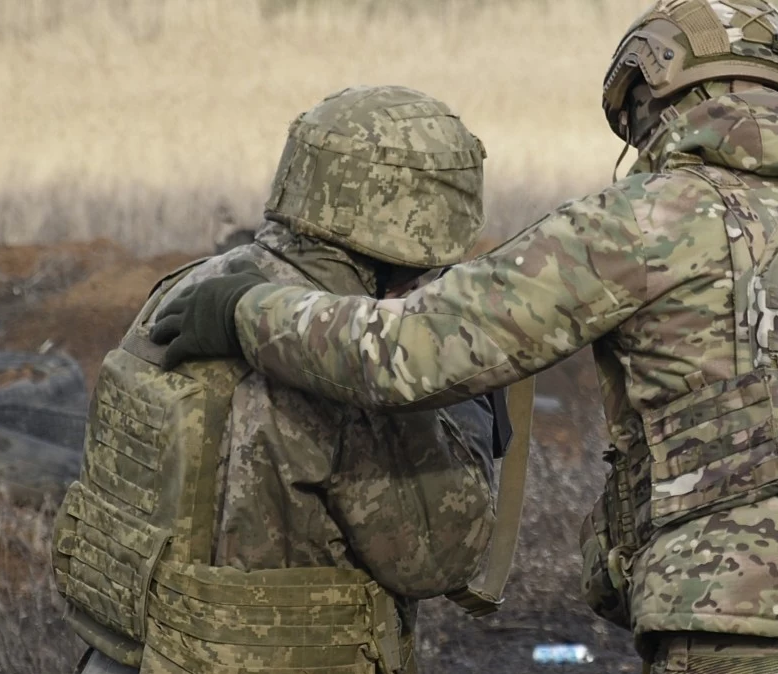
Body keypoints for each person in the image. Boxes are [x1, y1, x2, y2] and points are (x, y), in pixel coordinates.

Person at [151, 1, 778, 671]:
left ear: (657, 98)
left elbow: (410, 352)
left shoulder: (653, 218)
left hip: (742, 616)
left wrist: (245, 312)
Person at [54, 85, 506, 674]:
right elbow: (438, 557)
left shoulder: (192, 286)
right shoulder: (345, 356)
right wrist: (463, 399)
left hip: (125, 653)